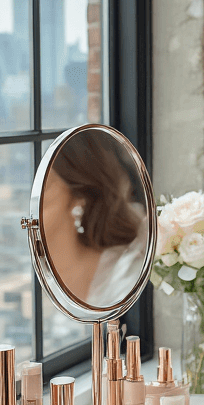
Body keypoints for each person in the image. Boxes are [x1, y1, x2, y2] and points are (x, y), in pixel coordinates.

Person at [41, 131, 148, 307]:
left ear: (78, 199)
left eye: (47, 188)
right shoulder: (37, 280)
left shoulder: (125, 276)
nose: (34, 203)